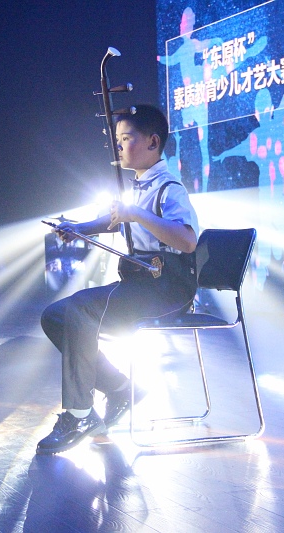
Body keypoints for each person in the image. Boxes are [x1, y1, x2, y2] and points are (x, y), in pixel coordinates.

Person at [36, 104, 199, 455]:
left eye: (126, 138)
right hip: (139, 286)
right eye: (117, 139)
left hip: (167, 289)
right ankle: (121, 388)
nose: (118, 146)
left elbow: (187, 241)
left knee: (80, 309)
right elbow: (113, 219)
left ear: (153, 142)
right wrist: (79, 228)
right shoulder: (136, 186)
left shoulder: (170, 187)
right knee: (55, 315)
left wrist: (136, 213)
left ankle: (78, 415)